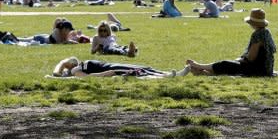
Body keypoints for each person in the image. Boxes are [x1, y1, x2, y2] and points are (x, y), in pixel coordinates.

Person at [186, 8, 276, 77]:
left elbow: (251, 58)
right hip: (266, 70)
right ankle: (204, 73)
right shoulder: (266, 32)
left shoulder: (258, 35)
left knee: (225, 64)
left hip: (258, 70)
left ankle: (200, 66)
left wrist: (240, 60)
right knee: (230, 65)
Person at [51, 57, 184, 78]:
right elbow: (87, 78)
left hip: (110, 64)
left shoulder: (79, 65)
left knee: (143, 67)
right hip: (109, 69)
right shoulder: (75, 70)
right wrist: (104, 75)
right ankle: (165, 76)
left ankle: (171, 73)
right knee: (136, 71)